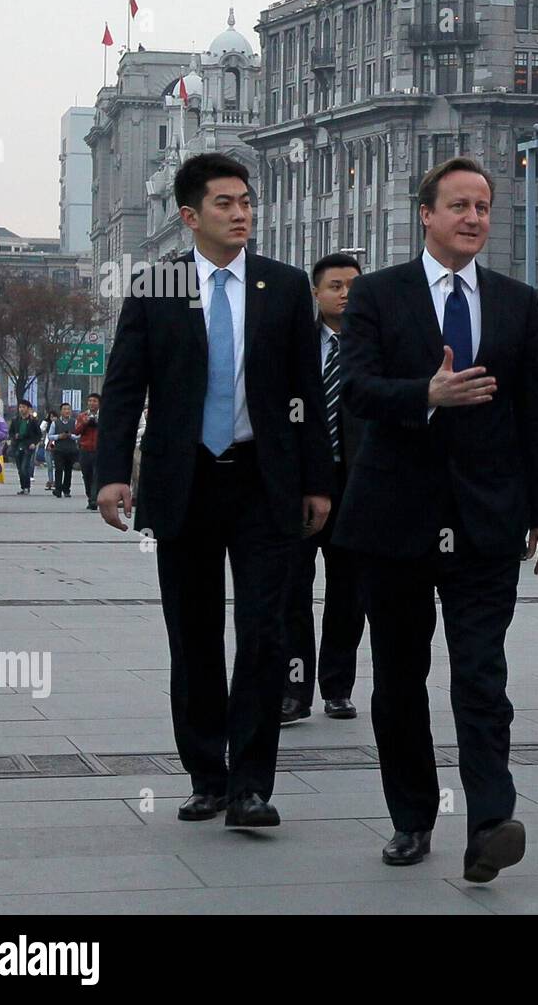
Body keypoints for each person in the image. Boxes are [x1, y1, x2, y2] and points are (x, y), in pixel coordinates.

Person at [334, 156, 538, 883]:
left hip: (486, 522)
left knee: (481, 674)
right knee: (400, 678)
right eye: (459, 205)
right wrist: (425, 394)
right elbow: (359, 392)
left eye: (484, 207)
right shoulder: (375, 293)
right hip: (394, 518)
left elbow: (533, 414)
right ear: (425, 214)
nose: (473, 218)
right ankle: (412, 814)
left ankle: (492, 819)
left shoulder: (517, 301)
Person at [96, 152, 333, 829]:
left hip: (264, 482)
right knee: (194, 633)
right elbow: (123, 385)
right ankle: (207, 774)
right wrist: (114, 470)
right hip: (185, 481)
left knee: (263, 631)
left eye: (246, 202)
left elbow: (306, 394)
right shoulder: (156, 286)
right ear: (190, 215)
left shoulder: (284, 288)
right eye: (225, 203)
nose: (241, 214)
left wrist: (317, 480)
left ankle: (252, 785)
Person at [282, 253, 367, 725]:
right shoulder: (294, 344)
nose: (345, 293)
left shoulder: (374, 347)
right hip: (301, 485)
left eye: (353, 285)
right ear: (316, 293)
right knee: (293, 591)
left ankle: (338, 687)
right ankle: (294, 690)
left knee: (347, 593)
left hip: (356, 485)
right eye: (335, 285)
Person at [9, 400, 42, 494]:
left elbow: (38, 435)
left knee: (24, 467)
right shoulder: (15, 420)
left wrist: (34, 443)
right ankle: (23, 487)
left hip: (28, 446)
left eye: (23, 407)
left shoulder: (32, 421)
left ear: (28, 409)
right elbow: (11, 432)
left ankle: (27, 487)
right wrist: (13, 437)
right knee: (20, 468)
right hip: (17, 445)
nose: (21, 409)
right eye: (20, 407)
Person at [75, 394, 101, 511]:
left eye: (94, 401)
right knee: (87, 475)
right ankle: (90, 496)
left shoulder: (104, 415)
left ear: (99, 403)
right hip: (85, 449)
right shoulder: (82, 416)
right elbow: (76, 431)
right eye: (90, 401)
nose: (92, 403)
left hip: (99, 449)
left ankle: (94, 499)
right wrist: (85, 422)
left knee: (97, 475)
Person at [50, 403, 79, 499]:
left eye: (68, 409)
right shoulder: (55, 423)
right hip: (59, 450)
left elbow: (79, 435)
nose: (67, 411)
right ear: (61, 411)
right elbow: (50, 436)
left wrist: (71, 436)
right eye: (64, 409)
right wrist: (59, 436)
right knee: (58, 469)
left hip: (71, 450)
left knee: (68, 470)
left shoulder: (74, 422)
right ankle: (58, 490)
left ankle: (66, 489)